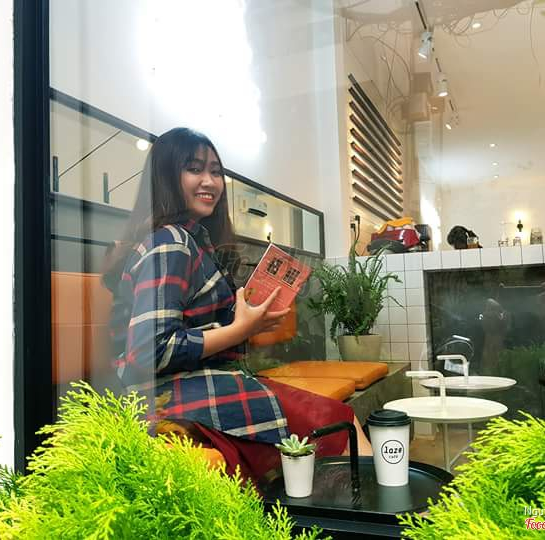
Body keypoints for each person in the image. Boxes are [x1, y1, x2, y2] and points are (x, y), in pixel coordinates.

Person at [103, 127, 371, 481]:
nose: (210, 181)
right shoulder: (171, 242)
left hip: (192, 384)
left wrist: (252, 323)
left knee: (334, 421)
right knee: (339, 423)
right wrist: (241, 329)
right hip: (167, 394)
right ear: (166, 176)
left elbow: (194, 330)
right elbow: (149, 351)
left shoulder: (193, 242)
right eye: (194, 169)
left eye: (216, 172)